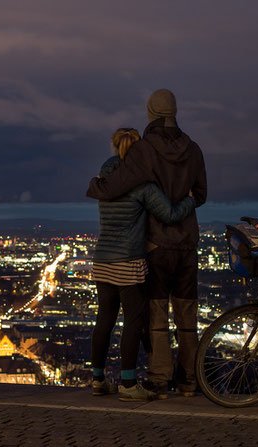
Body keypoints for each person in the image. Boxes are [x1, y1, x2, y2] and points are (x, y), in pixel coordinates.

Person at [86, 89, 207, 398]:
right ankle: (189, 382)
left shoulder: (144, 150)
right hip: (186, 244)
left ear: (151, 111)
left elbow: (118, 186)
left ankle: (159, 378)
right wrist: (187, 202)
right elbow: (201, 194)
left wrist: (97, 185)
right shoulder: (194, 149)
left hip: (153, 245)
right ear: (175, 110)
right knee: (187, 316)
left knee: (155, 316)